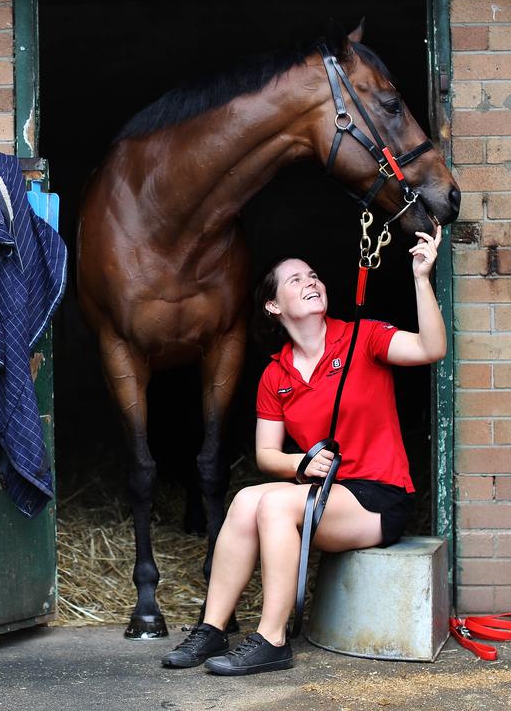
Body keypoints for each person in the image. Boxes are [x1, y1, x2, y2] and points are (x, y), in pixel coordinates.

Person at [161, 224, 446, 676]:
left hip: (377, 496)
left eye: (313, 275)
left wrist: (421, 278)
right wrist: (302, 463)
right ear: (274, 307)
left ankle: (273, 638)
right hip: (325, 492)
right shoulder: (275, 376)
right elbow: (267, 456)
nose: (310, 281)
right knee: (245, 499)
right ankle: (212, 627)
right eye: (296, 279)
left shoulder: (363, 338)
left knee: (273, 502)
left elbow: (432, 348)